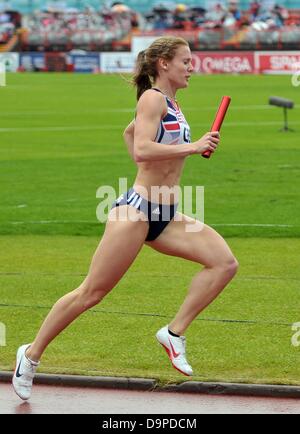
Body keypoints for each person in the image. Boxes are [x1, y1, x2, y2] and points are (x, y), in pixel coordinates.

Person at [12, 36, 238, 400]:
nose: (191, 67)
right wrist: (194, 147)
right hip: (136, 211)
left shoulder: (174, 105)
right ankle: (31, 354)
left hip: (165, 213)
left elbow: (130, 133)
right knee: (91, 292)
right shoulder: (152, 98)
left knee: (224, 263)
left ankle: (174, 333)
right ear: (164, 63)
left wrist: (184, 148)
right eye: (186, 60)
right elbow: (143, 151)